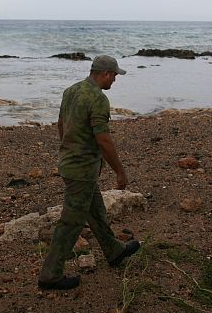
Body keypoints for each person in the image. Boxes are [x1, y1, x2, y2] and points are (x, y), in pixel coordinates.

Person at [37, 55, 141, 290]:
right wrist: (120, 172)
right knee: (71, 222)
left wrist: (68, 149)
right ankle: (50, 275)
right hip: (81, 170)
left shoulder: (71, 91)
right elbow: (103, 139)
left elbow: (61, 124)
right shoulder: (98, 98)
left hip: (71, 165)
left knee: (95, 210)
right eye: (114, 75)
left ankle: (114, 251)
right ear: (104, 73)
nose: (115, 80)